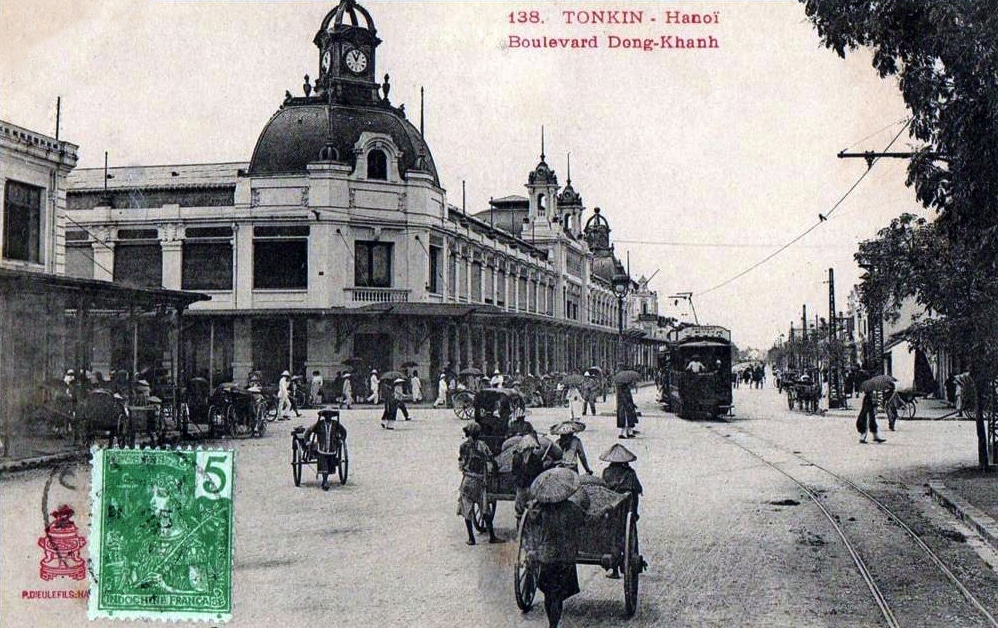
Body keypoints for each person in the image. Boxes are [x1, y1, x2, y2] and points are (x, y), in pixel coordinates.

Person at [526, 471, 588, 628]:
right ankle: (554, 624)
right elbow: (583, 522)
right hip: (565, 555)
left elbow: (533, 521)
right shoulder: (572, 508)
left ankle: (551, 624)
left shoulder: (542, 510)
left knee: (549, 593)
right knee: (558, 594)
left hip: (546, 556)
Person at [600, 443, 643, 578]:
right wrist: (634, 512)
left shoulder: (606, 472)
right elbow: (636, 493)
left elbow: (603, 491)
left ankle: (614, 570)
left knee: (612, 538)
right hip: (625, 512)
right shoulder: (630, 474)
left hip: (611, 512)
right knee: (626, 537)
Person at [457, 421, 499, 545]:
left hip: (467, 481)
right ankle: (492, 537)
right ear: (478, 433)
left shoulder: (463, 446)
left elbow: (461, 464)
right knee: (484, 509)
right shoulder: (482, 445)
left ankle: (471, 538)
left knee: (467, 509)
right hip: (480, 481)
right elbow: (491, 460)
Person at [512, 433, 563, 521]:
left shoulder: (517, 458)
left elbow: (514, 472)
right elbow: (540, 473)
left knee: (519, 510)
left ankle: (520, 524)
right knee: (534, 508)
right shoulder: (535, 459)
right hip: (531, 489)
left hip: (521, 488)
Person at [303, 410, 347, 491]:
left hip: (332, 448)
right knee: (323, 463)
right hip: (321, 448)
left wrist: (341, 440)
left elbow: (344, 432)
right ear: (324, 416)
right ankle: (325, 481)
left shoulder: (335, 424)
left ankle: (326, 479)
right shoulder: (319, 424)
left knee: (330, 464)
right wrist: (307, 442)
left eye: (330, 415)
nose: (328, 416)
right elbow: (308, 431)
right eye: (326, 415)